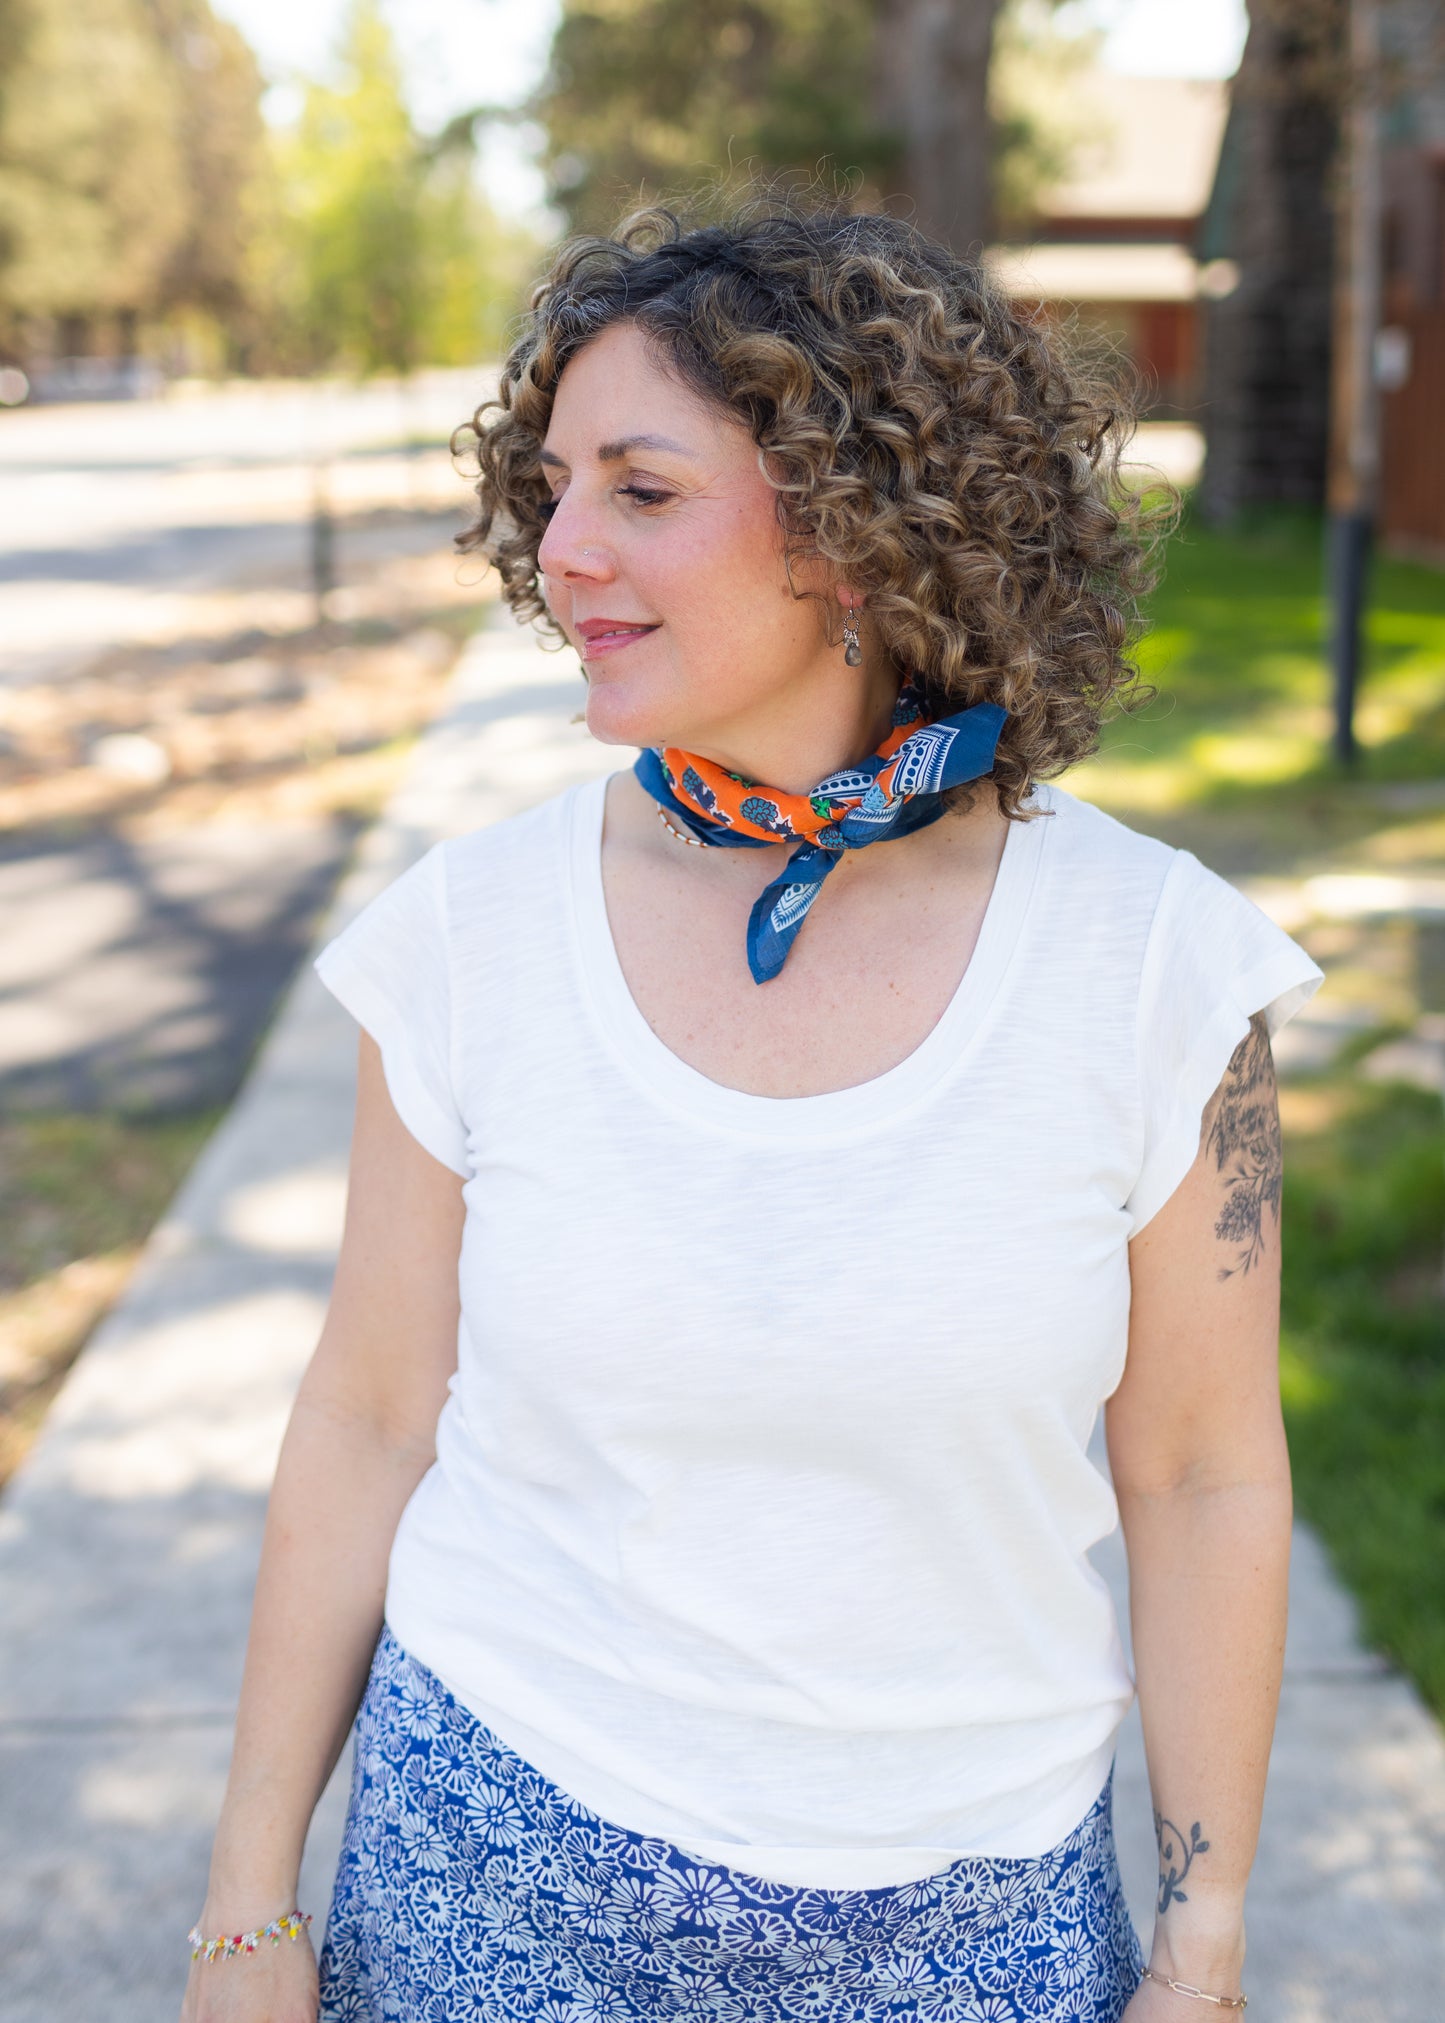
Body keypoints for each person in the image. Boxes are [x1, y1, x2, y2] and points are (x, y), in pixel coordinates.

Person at [181, 202, 1323, 2023]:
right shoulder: (472, 938)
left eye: (641, 490)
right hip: (489, 1877)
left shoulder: (1153, 971)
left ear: (864, 531)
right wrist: (250, 1912)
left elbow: (1197, 1477)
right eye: (551, 489)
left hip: (974, 1927)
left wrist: (1204, 1925)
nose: (561, 554)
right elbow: (370, 1416)